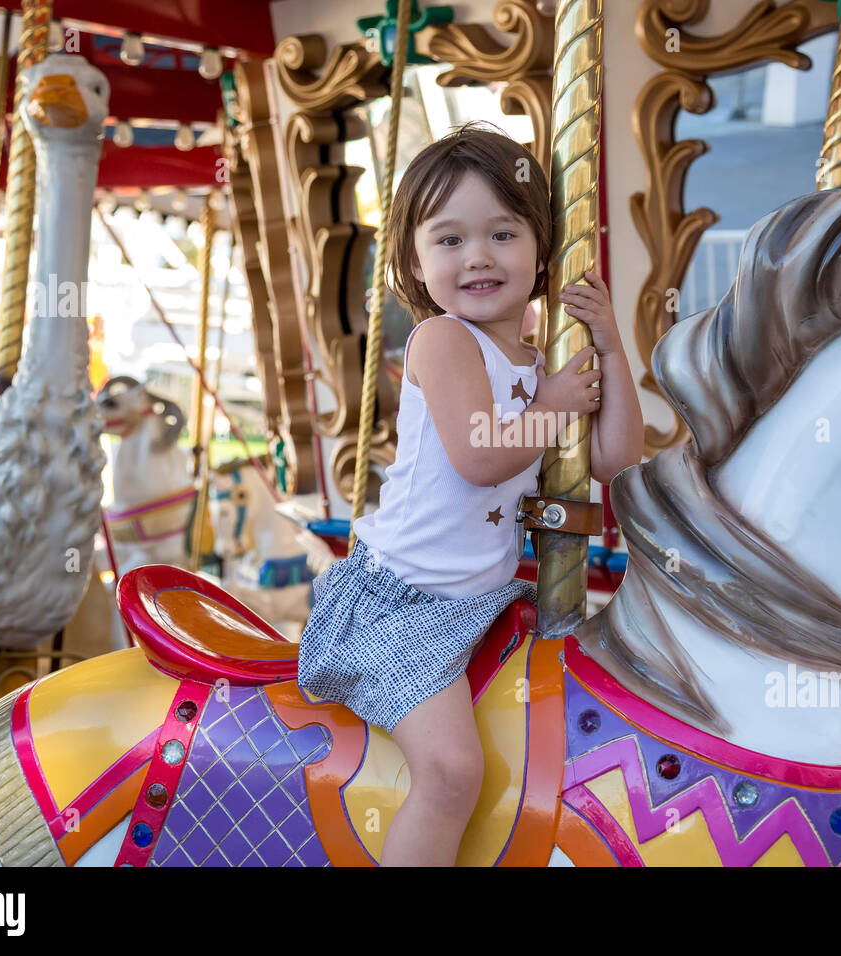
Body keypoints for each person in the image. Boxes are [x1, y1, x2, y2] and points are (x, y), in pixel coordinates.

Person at [297, 123, 644, 866]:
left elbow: (615, 458)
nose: (479, 256)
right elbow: (481, 455)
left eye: (503, 232)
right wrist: (554, 400)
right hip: (399, 604)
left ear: (541, 251)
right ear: (416, 265)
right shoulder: (442, 341)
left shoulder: (537, 355)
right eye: (449, 240)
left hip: (474, 604)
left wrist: (610, 348)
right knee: (454, 772)